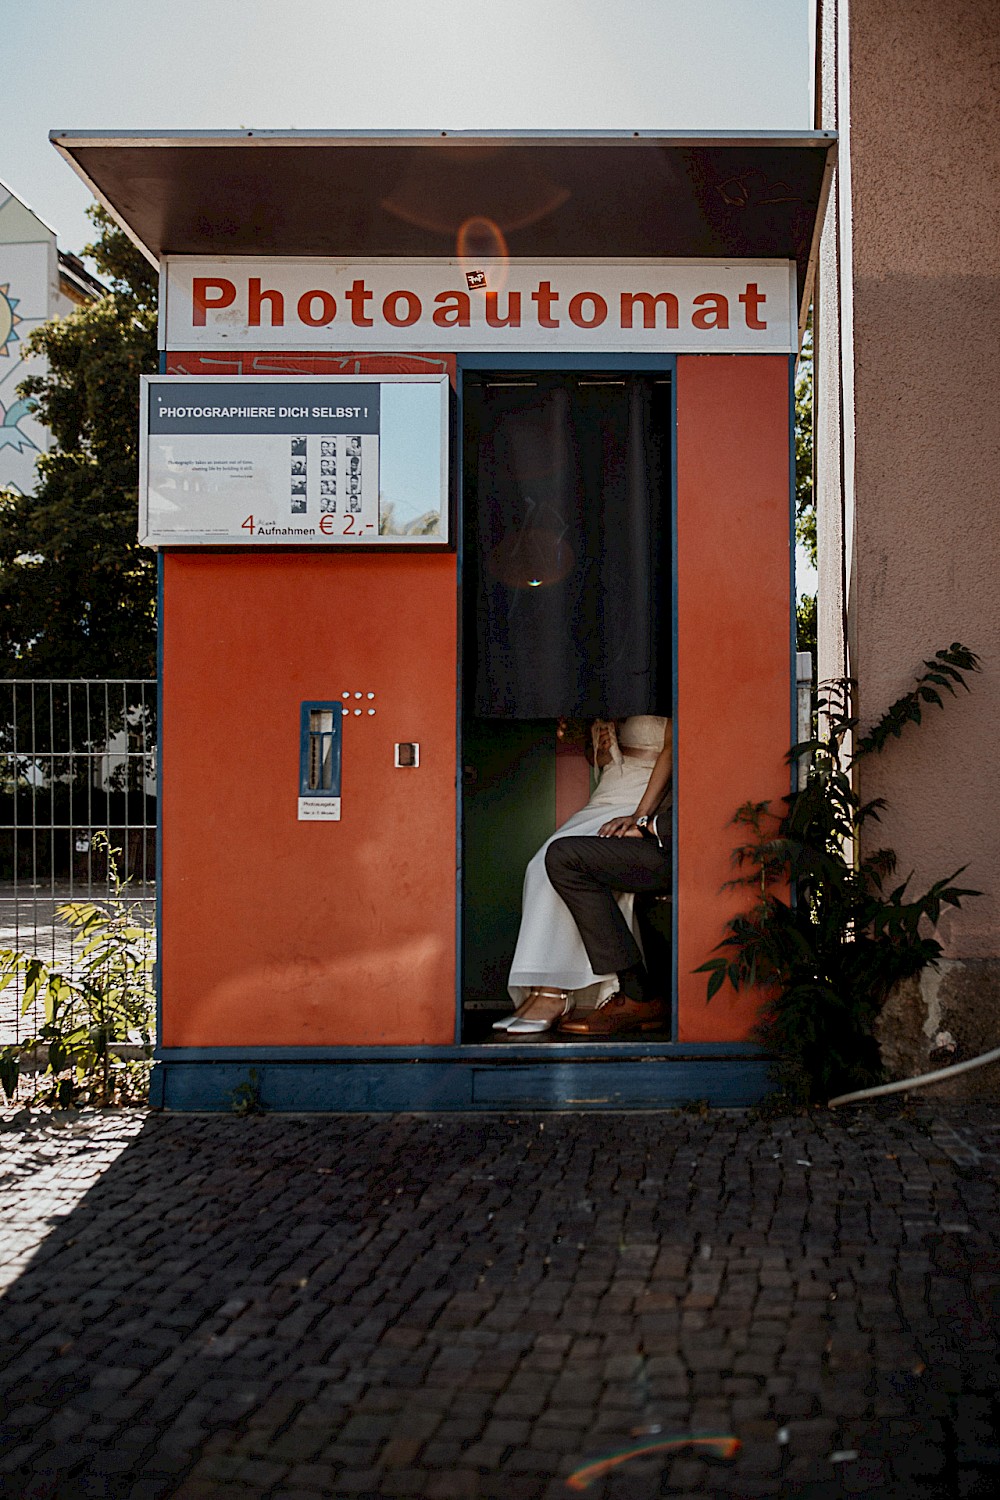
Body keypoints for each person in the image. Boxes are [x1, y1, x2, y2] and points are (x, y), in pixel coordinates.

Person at [495, 715, 671, 1036]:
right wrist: (599, 750)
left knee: (565, 861)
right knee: (540, 865)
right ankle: (544, 990)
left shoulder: (661, 688)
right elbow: (601, 759)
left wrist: (640, 816)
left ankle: (558, 993)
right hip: (606, 794)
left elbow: (674, 750)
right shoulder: (608, 696)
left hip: (641, 799)